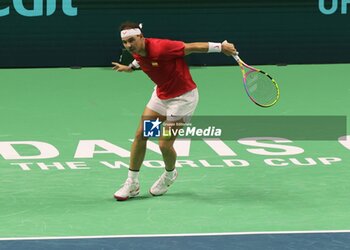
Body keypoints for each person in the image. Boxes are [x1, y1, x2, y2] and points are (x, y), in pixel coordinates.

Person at [112, 21, 236, 201]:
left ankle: (170, 175)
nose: (129, 45)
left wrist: (221, 47)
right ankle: (132, 183)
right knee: (142, 135)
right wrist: (130, 68)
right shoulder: (137, 51)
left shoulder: (162, 48)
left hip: (183, 100)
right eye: (125, 42)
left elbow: (191, 47)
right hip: (161, 97)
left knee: (164, 143)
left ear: (141, 36)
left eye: (131, 40)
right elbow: (140, 59)